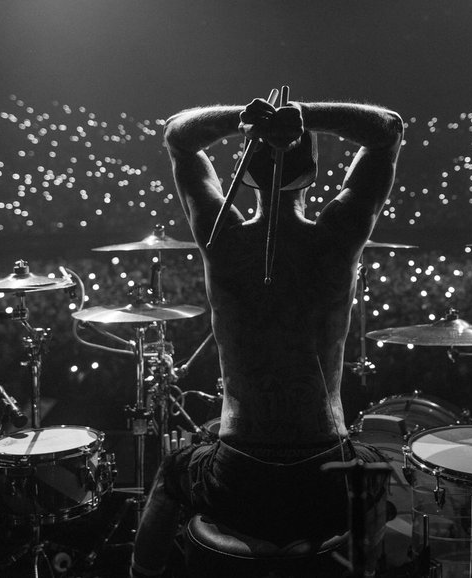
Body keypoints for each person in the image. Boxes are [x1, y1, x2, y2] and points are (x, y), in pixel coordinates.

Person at [130, 97, 404, 577]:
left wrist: (244, 119)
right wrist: (305, 115)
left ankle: (141, 572)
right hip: (325, 469)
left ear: (247, 172)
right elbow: (389, 129)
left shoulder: (222, 235)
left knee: (174, 469)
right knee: (378, 470)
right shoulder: (338, 237)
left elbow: (176, 132)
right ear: (312, 173)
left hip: (239, 470)